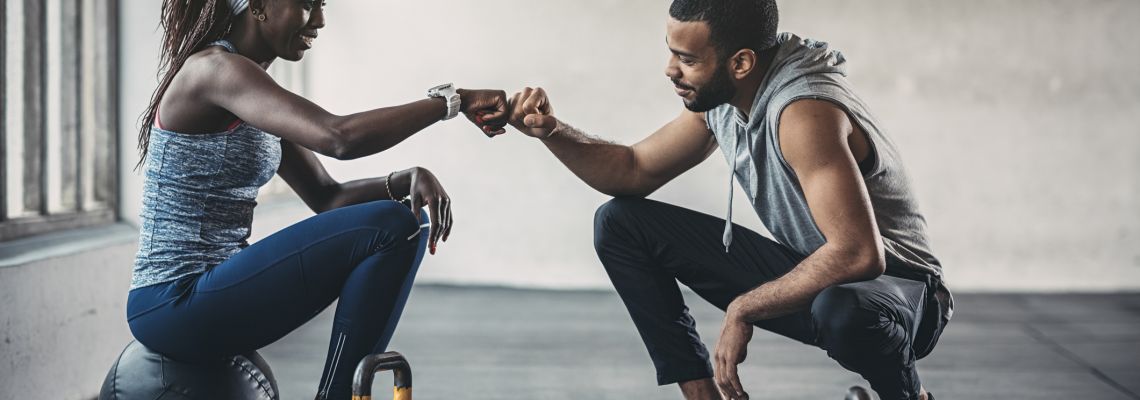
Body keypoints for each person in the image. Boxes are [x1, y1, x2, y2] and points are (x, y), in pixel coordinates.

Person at [503, 1, 952, 399]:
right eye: (671, 52)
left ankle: (906, 396)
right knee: (620, 223)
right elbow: (633, 170)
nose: (670, 69)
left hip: (904, 296)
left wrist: (743, 308)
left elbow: (859, 254)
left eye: (687, 59)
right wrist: (553, 132)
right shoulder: (723, 100)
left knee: (841, 309)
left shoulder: (803, 114)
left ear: (740, 62)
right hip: (818, 273)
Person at [124, 0, 509, 399]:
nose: (320, 21)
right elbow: (338, 138)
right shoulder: (214, 70)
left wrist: (406, 179)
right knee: (394, 226)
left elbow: (328, 196)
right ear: (257, 6)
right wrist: (453, 101)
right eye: (307, 4)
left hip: (215, 292)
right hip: (172, 300)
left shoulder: (255, 89)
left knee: (409, 218)